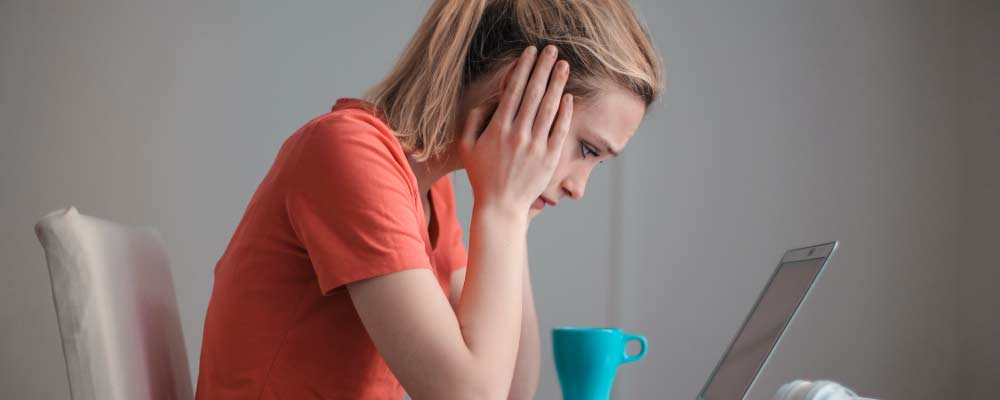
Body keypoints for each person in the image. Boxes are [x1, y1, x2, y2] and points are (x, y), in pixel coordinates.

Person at [194, 0, 664, 398]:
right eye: (587, 150)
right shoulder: (348, 153)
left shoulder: (431, 191)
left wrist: (514, 215)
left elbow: (513, 389)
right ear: (519, 93)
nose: (579, 187)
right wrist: (501, 209)